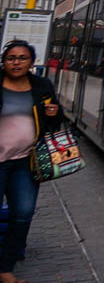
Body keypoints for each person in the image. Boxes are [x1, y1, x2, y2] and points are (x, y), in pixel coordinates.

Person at [0, 40, 61, 283]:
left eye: (22, 58)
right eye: (11, 58)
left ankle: (5, 268)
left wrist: (54, 114)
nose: (16, 62)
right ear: (4, 61)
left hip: (25, 161)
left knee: (23, 214)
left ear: (31, 62)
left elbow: (55, 123)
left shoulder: (41, 86)